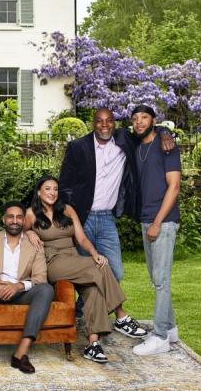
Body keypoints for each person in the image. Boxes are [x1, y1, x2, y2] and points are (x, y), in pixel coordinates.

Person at [25, 175, 148, 363]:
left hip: (73, 258)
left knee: (94, 286)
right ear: (39, 192)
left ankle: (92, 344)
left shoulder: (66, 210)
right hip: (52, 261)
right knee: (97, 269)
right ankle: (121, 315)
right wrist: (29, 232)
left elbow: (81, 239)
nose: (52, 193)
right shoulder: (31, 214)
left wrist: (93, 253)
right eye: (48, 189)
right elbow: (17, 231)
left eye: (55, 189)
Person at [58, 108, 175, 286]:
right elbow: (64, 185)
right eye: (99, 121)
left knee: (116, 272)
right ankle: (84, 312)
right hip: (83, 218)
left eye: (109, 121)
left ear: (115, 123)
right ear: (93, 124)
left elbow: (145, 130)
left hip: (107, 218)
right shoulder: (77, 146)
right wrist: (71, 216)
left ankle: (89, 311)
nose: (104, 125)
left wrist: (165, 132)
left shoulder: (124, 139)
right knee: (86, 271)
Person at [0, 201, 55, 374]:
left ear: (24, 220)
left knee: (46, 290)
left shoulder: (35, 245)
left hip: (22, 293)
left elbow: (40, 277)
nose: (14, 221)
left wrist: (18, 286)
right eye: (10, 217)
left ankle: (21, 353)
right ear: (4, 219)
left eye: (19, 217)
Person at [129, 105, 182, 356]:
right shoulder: (137, 146)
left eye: (145, 118)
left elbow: (174, 187)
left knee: (161, 280)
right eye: (135, 119)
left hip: (163, 220)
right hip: (145, 218)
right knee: (156, 278)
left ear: (153, 120)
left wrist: (158, 222)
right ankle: (170, 328)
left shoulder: (167, 147)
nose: (139, 122)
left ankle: (160, 337)